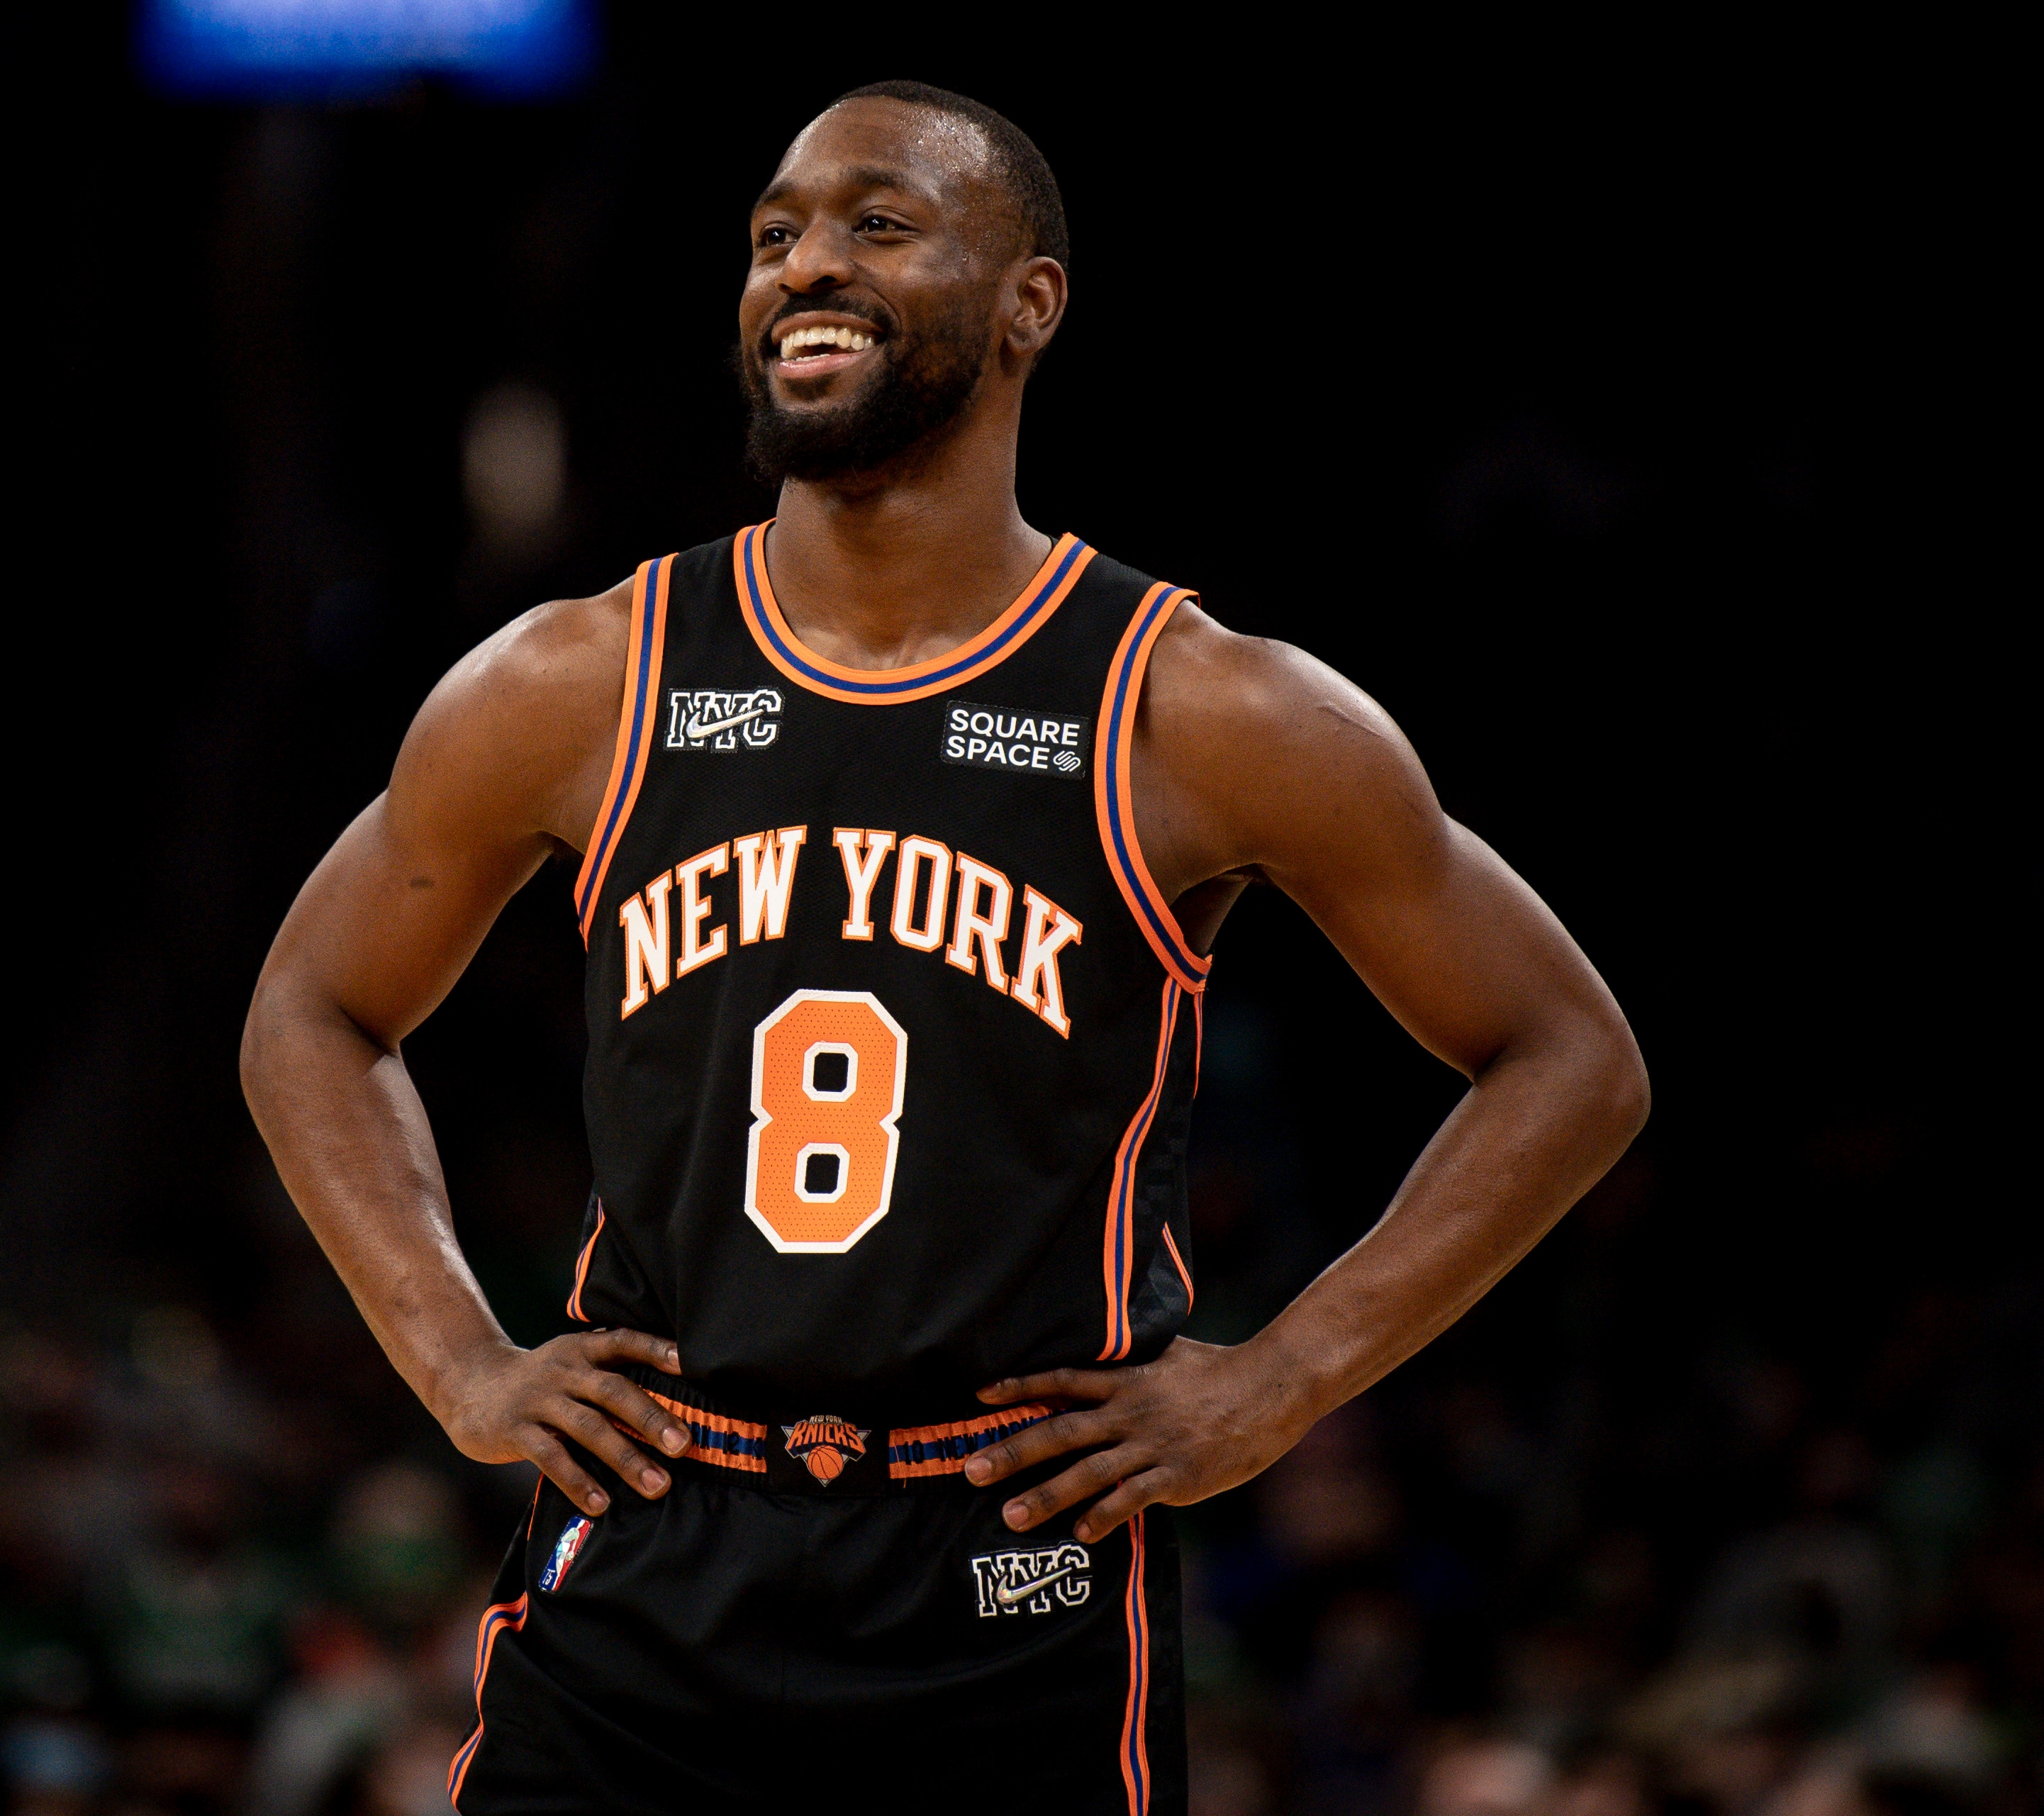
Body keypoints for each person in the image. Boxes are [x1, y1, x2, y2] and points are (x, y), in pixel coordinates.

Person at [240, 79, 1648, 1815]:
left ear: (1027, 303)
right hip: (652, 1549)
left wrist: (1282, 1384)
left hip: (1008, 1573)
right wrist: (453, 1353)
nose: (803, 266)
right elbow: (312, 1006)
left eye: (876, 225)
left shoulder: (1199, 707)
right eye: (772, 237)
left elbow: (1571, 1058)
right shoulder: (579, 677)